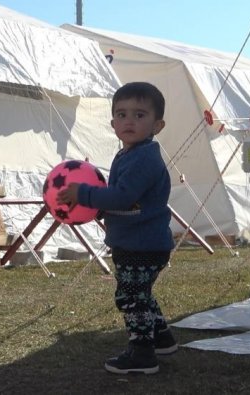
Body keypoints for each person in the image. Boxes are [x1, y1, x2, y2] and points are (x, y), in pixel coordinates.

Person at [57, 81, 176, 375]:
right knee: (141, 294)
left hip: (143, 245)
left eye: (139, 115)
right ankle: (161, 338)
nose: (129, 121)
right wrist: (97, 208)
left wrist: (82, 194)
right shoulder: (129, 153)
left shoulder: (145, 158)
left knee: (130, 297)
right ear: (112, 123)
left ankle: (142, 354)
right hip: (136, 242)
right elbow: (123, 201)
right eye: (121, 115)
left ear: (157, 124)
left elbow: (123, 195)